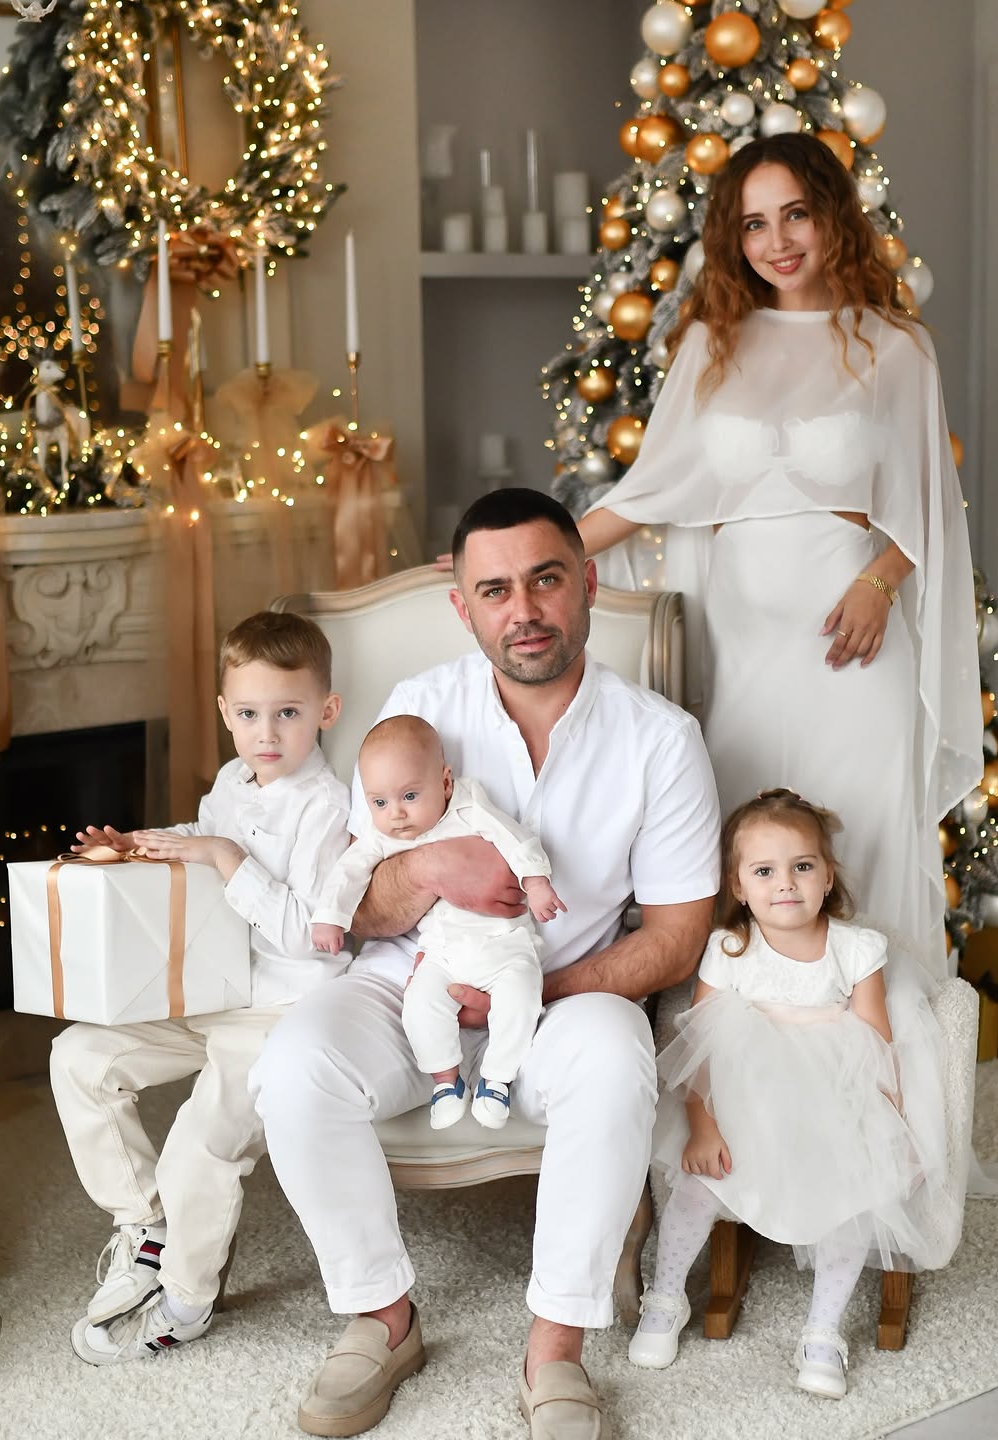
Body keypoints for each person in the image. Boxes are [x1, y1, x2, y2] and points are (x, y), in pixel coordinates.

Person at [250, 487, 721, 1440]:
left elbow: (676, 937)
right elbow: (357, 899)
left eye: (546, 580)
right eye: (496, 590)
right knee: (293, 1065)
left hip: (565, 993)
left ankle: (555, 1350)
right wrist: (427, 868)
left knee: (615, 1059)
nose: (525, 610)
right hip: (406, 977)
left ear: (588, 583)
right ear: (462, 606)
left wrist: (527, 991)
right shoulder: (419, 709)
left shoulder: (661, 740)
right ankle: (382, 1317)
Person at [577, 132, 981, 992]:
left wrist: (879, 583)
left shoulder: (895, 347)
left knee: (862, 842)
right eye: (755, 223)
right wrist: (526, 557)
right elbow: (648, 492)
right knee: (744, 845)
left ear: (832, 215)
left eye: (796, 214)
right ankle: (743, 1062)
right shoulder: (711, 344)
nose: (778, 241)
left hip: (854, 645)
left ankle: (877, 1058)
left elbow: (931, 509)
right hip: (742, 647)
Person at [49, 610, 351, 1364]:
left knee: (200, 1139)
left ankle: (186, 1297)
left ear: (326, 710)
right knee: (79, 1057)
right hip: (212, 989)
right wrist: (141, 845)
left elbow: (307, 932)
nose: (266, 733)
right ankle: (146, 1224)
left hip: (281, 1009)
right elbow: (205, 839)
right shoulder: (231, 781)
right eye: (248, 715)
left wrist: (222, 855)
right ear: (224, 712)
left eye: (287, 713)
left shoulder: (328, 806)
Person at [632, 790, 943, 1399]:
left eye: (802, 866)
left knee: (855, 1197)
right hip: (745, 1100)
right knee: (698, 1183)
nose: (785, 884)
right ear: (738, 886)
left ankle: (823, 1330)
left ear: (827, 876)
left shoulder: (857, 949)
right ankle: (666, 1297)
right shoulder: (730, 948)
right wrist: (703, 1124)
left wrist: (893, 1128)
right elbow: (701, 1046)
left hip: (831, 1098)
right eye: (764, 871)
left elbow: (876, 1042)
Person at [311, 714, 565, 1131]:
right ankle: (446, 1082)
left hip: (505, 945)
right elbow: (348, 871)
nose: (396, 814)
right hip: (442, 952)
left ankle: (496, 1081)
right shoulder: (384, 835)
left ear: (445, 783)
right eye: (379, 803)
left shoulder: (469, 807)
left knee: (521, 998)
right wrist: (329, 918)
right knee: (420, 1005)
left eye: (410, 795)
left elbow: (512, 836)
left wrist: (535, 882)